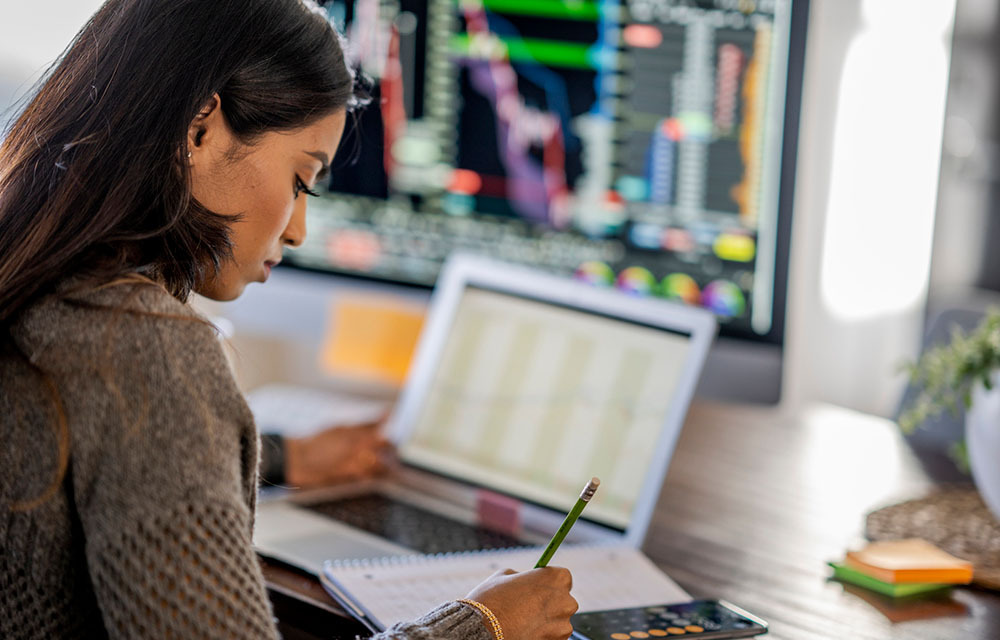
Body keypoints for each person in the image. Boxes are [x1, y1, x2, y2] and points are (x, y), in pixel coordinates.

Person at [0, 1, 578, 638]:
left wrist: (278, 457)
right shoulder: (148, 353)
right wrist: (486, 626)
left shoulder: (32, 278)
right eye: (303, 180)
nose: (298, 229)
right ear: (201, 130)